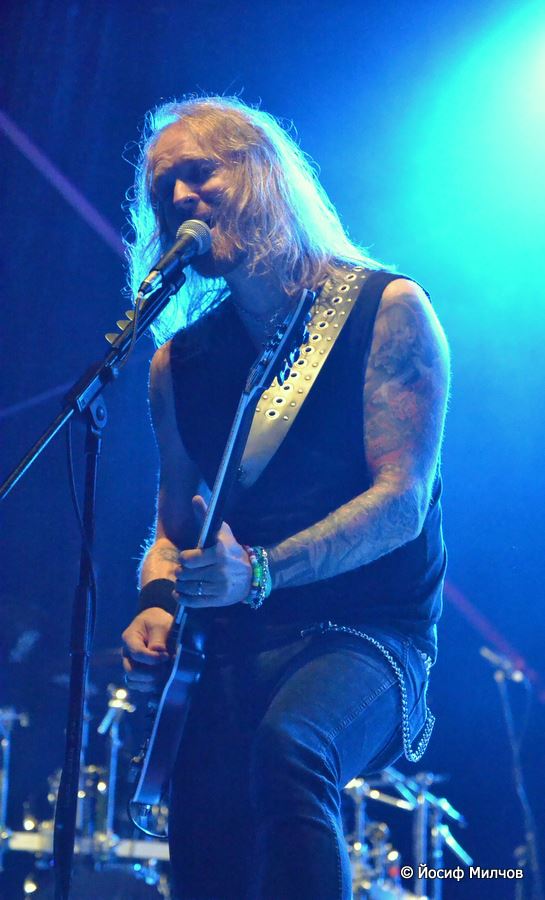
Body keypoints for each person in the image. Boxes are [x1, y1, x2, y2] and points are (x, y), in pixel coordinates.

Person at [121, 96, 450, 900]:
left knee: (291, 746)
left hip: (369, 633)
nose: (179, 199)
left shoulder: (386, 310)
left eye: (199, 173)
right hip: (236, 643)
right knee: (205, 839)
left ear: (265, 172)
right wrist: (157, 601)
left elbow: (401, 503)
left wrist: (260, 571)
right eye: (163, 190)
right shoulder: (177, 365)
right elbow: (172, 530)